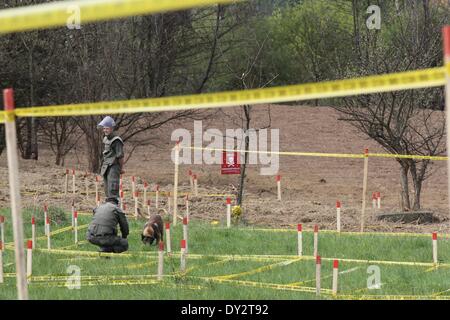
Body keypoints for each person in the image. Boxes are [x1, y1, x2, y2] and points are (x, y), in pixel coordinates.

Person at [98, 116, 124, 201]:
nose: (105, 130)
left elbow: (120, 156)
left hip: (114, 166)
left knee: (113, 189)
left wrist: (121, 168)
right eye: (104, 128)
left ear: (112, 128)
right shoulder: (105, 138)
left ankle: (114, 207)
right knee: (107, 189)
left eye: (107, 128)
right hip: (106, 166)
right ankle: (108, 207)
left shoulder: (116, 140)